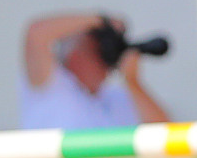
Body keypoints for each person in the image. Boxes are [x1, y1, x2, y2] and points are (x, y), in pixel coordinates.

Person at [19, 12, 171, 130]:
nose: (103, 61)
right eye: (96, 51)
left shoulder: (114, 98)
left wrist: (133, 82)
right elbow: (36, 34)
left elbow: (164, 132)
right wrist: (100, 20)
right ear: (75, 57)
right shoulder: (52, 86)